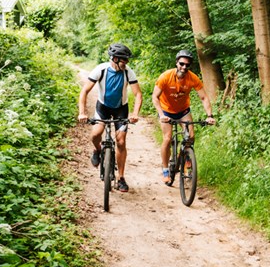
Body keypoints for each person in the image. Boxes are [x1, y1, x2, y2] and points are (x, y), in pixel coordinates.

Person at [78, 43, 143, 192]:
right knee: (96, 134)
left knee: (121, 141)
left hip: (121, 109)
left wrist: (135, 113)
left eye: (127, 60)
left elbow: (138, 94)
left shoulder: (128, 72)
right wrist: (82, 112)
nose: (126, 62)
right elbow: (84, 91)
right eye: (124, 60)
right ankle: (97, 150)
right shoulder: (101, 70)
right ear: (114, 59)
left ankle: (121, 178)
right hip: (103, 107)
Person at [152, 49, 215, 185]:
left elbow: (204, 97)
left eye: (187, 65)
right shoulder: (165, 76)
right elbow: (155, 97)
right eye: (181, 64)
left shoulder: (193, 78)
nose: (184, 67)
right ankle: (165, 170)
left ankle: (185, 160)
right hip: (166, 111)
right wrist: (161, 115)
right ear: (177, 63)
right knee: (167, 138)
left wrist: (209, 115)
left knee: (190, 137)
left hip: (183, 111)